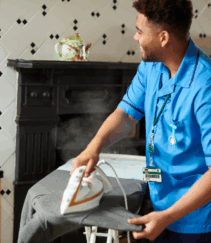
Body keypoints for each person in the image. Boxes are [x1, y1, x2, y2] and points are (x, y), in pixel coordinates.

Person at [70, 0, 211, 242]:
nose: (135, 38)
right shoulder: (151, 67)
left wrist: (167, 216)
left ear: (163, 38)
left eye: (139, 31)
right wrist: (94, 147)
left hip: (195, 220)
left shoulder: (205, 85)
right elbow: (125, 114)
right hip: (159, 203)